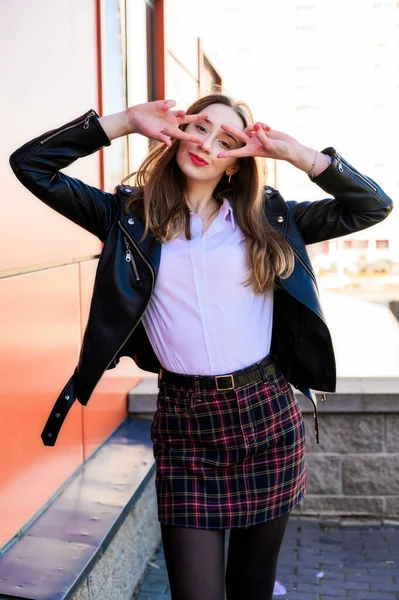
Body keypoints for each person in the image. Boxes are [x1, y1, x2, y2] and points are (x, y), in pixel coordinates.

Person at [9, 93, 393, 600]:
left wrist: (298, 154)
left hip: (268, 417)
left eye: (227, 141)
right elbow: (31, 165)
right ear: (178, 131)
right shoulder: (127, 218)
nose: (207, 145)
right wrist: (122, 122)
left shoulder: (268, 220)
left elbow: (374, 205)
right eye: (200, 127)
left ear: (236, 164)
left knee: (252, 589)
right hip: (187, 425)